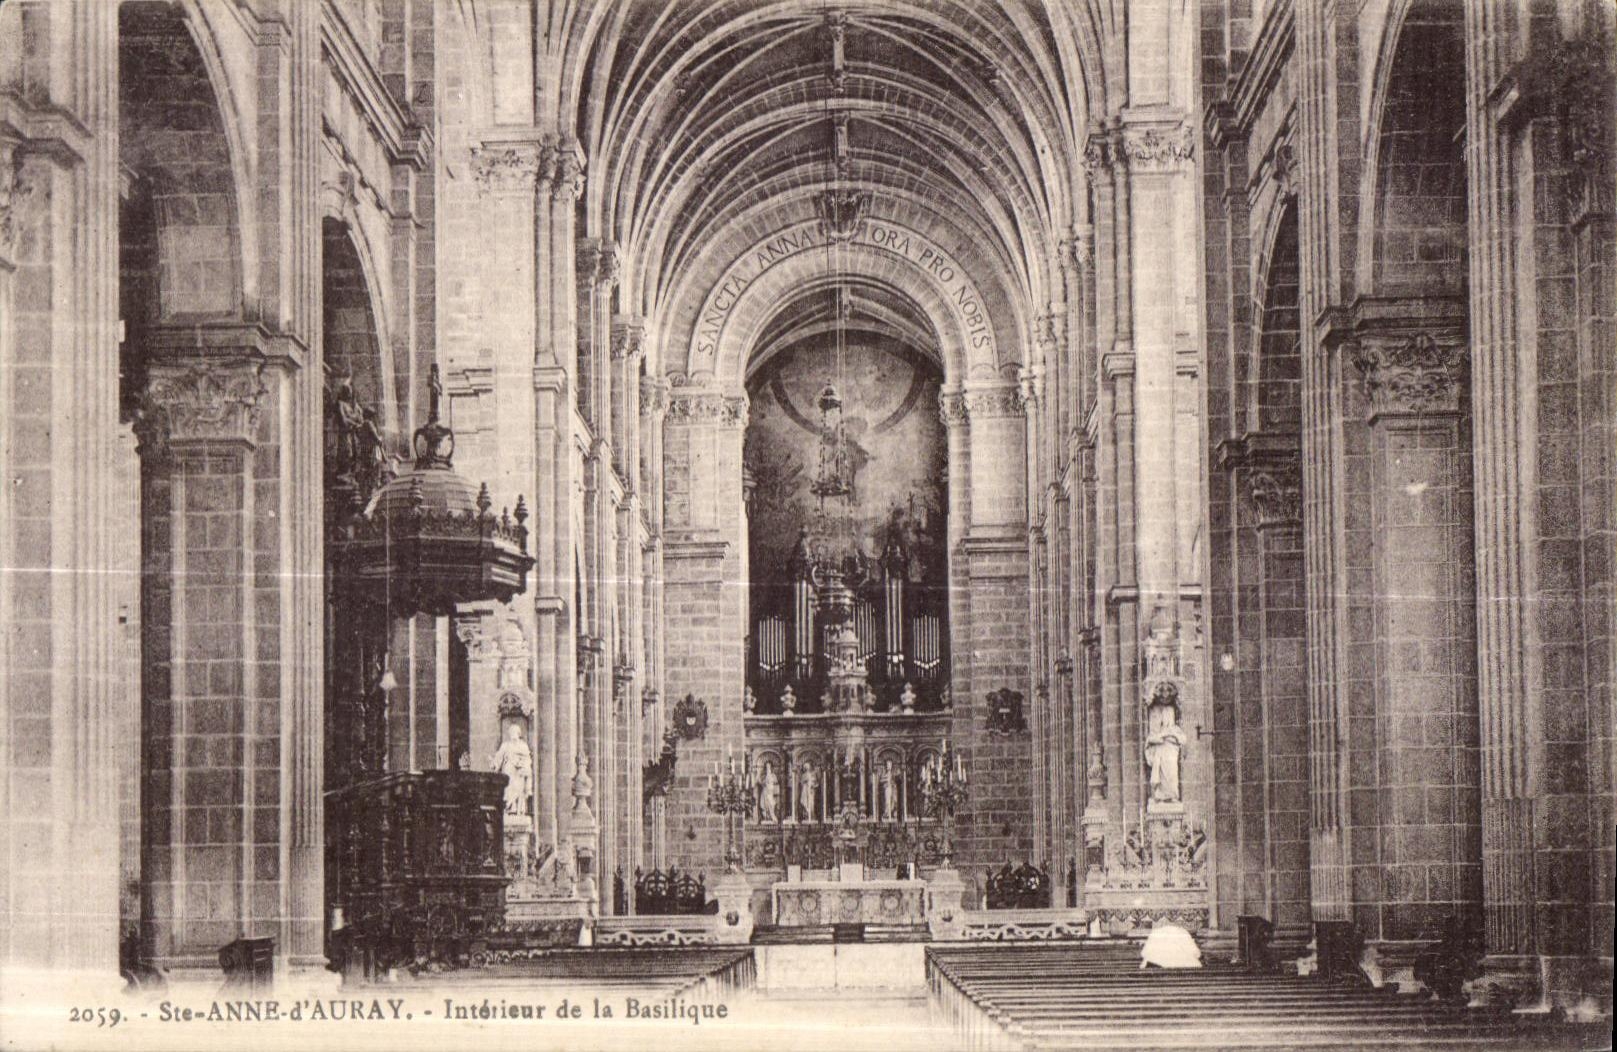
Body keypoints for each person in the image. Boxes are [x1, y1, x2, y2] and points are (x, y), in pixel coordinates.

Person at [1145, 703, 1185, 804]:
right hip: (1161, 755)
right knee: (1161, 775)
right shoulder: (1159, 729)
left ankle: (1173, 796)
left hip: (1171, 755)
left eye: (1169, 715)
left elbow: (1183, 739)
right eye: (1165, 715)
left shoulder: (1175, 729)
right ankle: (1160, 797)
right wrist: (1162, 736)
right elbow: (1150, 739)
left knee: (1172, 775)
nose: (1167, 718)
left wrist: (1172, 736)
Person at [492, 723, 533, 816]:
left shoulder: (523, 746)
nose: (513, 734)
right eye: (511, 732)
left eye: (515, 732)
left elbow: (528, 759)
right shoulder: (505, 745)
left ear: (519, 734)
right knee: (509, 789)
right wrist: (495, 764)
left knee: (519, 790)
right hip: (509, 771)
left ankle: (520, 810)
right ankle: (510, 808)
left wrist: (523, 766)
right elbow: (499, 757)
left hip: (519, 773)